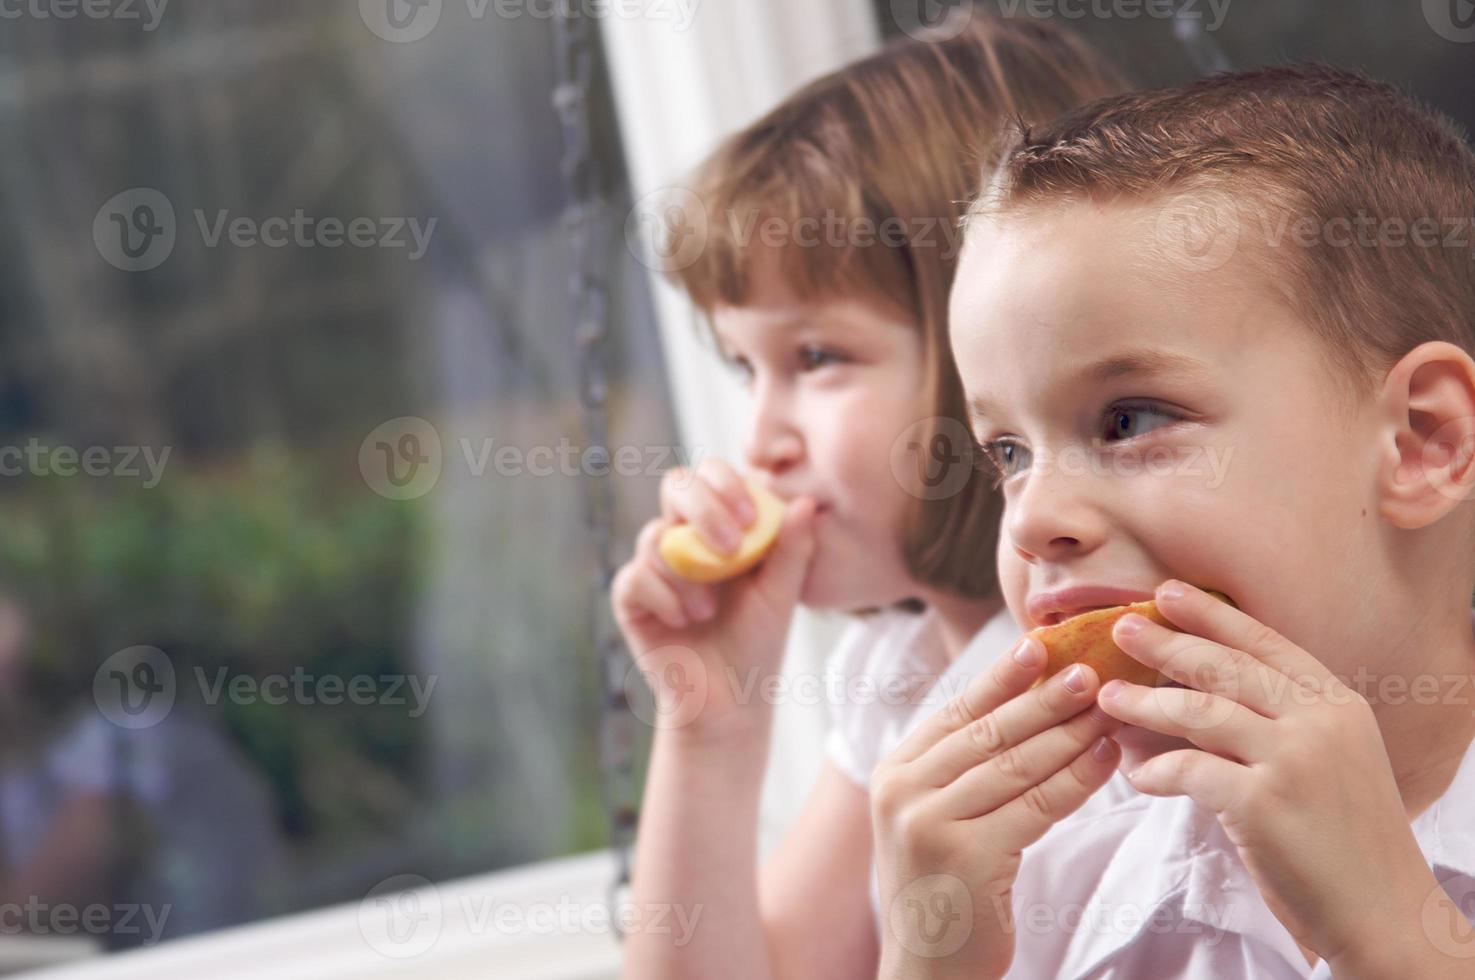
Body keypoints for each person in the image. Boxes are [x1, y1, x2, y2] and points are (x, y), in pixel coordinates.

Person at [876, 63, 1475, 978]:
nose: (1035, 517)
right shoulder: (1041, 882)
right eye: (1007, 453)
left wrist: (1390, 938)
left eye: (1128, 420)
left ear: (1421, 441)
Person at [611, 13, 1126, 979]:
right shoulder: (899, 670)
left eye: (816, 358)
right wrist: (709, 724)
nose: (760, 441)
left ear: (990, 352)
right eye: (743, 369)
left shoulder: (1103, 686)